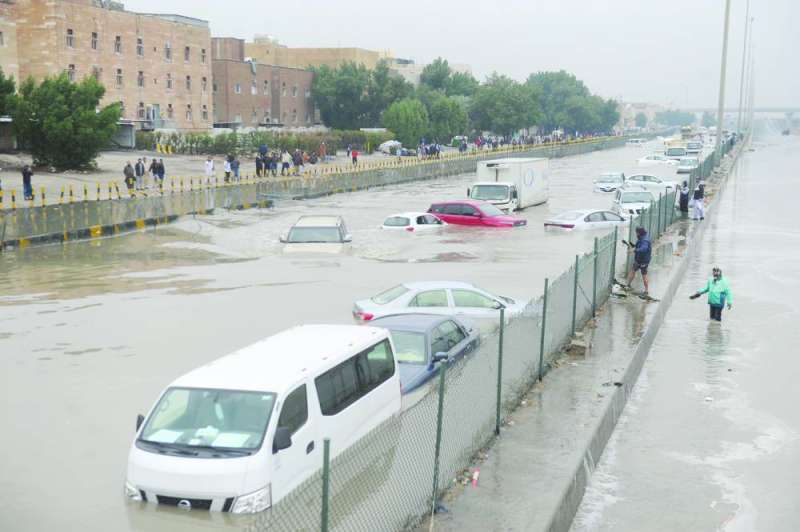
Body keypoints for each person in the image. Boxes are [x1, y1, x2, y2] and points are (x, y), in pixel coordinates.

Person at [625, 227, 652, 295]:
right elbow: (638, 246)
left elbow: (644, 249)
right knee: (633, 271)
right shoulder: (642, 238)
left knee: (644, 275)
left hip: (643, 261)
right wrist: (632, 245)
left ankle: (646, 291)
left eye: (636, 232)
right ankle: (628, 285)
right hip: (638, 260)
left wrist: (634, 250)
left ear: (639, 232)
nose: (636, 233)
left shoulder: (645, 240)